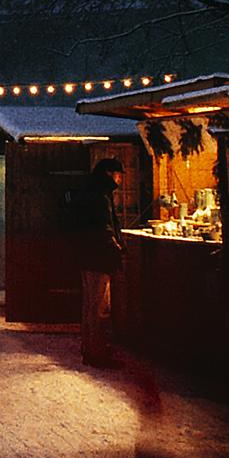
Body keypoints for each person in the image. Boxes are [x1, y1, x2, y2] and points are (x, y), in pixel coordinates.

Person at [70, 157, 126, 366]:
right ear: (109, 174)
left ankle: (89, 348)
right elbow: (104, 228)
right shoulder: (100, 197)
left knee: (90, 306)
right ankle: (97, 353)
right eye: (118, 175)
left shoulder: (92, 192)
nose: (119, 179)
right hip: (99, 258)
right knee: (99, 307)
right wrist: (117, 247)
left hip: (88, 257)